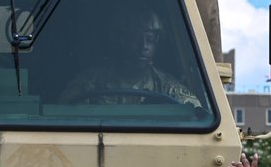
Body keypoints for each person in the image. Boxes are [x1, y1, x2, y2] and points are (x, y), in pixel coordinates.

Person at [59, 9, 201, 106]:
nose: (143, 46)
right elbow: (62, 116)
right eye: (134, 38)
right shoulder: (90, 82)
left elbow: (198, 116)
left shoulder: (168, 87)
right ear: (121, 40)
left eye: (150, 39)